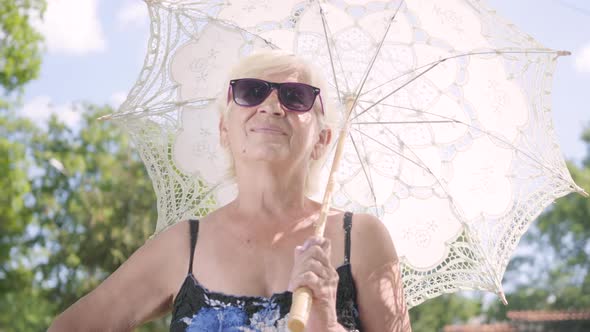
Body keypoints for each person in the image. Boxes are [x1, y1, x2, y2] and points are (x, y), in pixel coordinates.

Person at [48, 51, 411, 331]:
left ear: (323, 139)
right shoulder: (183, 246)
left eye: (295, 96)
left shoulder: (361, 239)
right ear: (224, 129)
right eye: (251, 92)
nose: (271, 106)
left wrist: (328, 323)